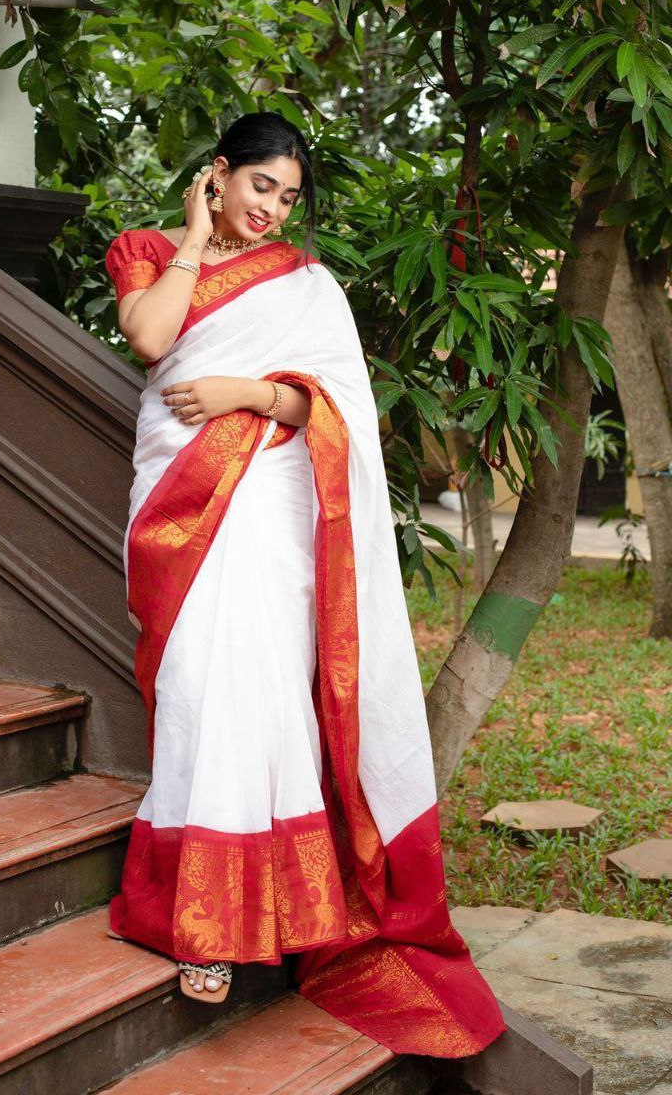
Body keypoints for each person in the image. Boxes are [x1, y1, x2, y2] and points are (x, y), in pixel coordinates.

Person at [104, 110, 506, 1057]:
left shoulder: (308, 286)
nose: (273, 210)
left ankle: (251, 919)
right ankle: (198, 906)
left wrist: (247, 394)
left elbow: (334, 409)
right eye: (260, 187)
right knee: (199, 687)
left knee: (262, 692)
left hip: (270, 510)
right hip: (177, 507)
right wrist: (195, 236)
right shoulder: (149, 251)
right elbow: (152, 339)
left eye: (288, 197)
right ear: (219, 174)